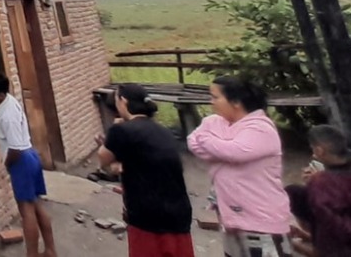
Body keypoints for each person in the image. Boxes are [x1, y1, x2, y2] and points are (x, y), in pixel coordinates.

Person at [187, 75, 293, 257]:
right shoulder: (215, 121)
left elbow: (234, 152)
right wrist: (218, 147)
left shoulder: (261, 128)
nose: (211, 102)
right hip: (231, 218)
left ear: (235, 101)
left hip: (261, 220)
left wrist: (209, 140)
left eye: (215, 97)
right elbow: (193, 143)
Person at [96, 83, 195, 257]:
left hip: (147, 217)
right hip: (179, 215)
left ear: (123, 101)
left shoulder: (121, 130)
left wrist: (110, 134)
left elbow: (103, 158)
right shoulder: (163, 131)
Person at [0, 71, 57, 257]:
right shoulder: (9, 102)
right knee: (37, 205)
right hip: (30, 155)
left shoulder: (7, 116)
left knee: (26, 212)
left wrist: (7, 163)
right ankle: (50, 250)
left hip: (22, 161)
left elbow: (15, 148)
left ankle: (32, 254)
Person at [285, 124, 351, 257]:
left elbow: (337, 230)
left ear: (319, 151)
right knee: (295, 192)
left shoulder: (322, 183)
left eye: (313, 149)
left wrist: (296, 247)